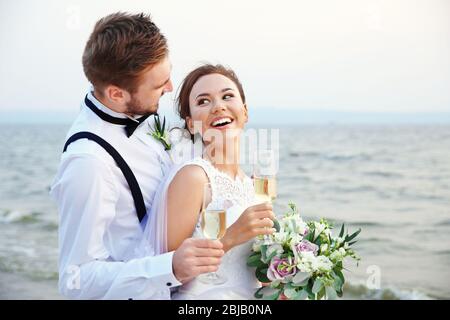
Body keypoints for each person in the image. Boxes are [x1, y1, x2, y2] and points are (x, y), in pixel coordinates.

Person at [50, 12, 224, 300]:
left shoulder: (142, 113)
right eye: (159, 85)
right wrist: (169, 267)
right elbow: (75, 280)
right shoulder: (89, 163)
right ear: (116, 94)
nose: (170, 88)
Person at [137, 64, 276, 299]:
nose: (218, 106)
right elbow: (168, 275)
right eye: (203, 101)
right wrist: (231, 236)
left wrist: (280, 280)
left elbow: (251, 271)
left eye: (227, 96)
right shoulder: (193, 177)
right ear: (191, 124)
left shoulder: (252, 186)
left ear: (245, 111)